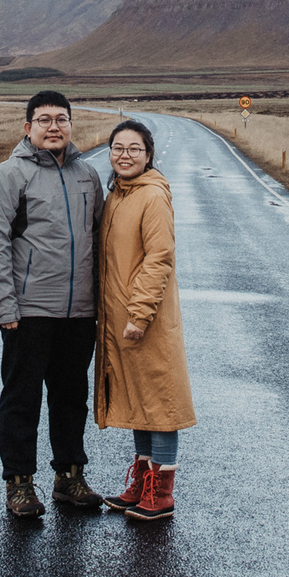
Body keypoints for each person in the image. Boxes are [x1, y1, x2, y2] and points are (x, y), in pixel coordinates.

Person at [0, 89, 105, 518]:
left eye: (62, 119)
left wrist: (102, 303)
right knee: (22, 399)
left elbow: (100, 242)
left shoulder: (88, 175)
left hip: (80, 312)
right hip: (29, 312)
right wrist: (5, 307)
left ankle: (69, 477)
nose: (54, 127)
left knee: (72, 397)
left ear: (72, 124)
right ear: (27, 127)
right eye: (45, 119)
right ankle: (20, 485)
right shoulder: (10, 174)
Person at [94, 118, 195, 522]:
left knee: (160, 400)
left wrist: (139, 313)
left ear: (148, 154)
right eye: (118, 148)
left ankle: (162, 492)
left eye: (134, 148)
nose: (125, 155)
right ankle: (141, 480)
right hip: (120, 317)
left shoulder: (151, 195)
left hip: (144, 317)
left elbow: (159, 258)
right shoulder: (118, 194)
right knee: (139, 398)